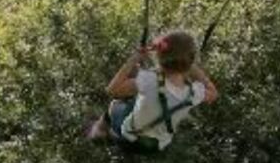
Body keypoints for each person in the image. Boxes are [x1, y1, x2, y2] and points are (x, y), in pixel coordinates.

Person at [87, 30, 217, 151]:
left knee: (114, 105)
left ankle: (98, 132)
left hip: (129, 138)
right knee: (141, 100)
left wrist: (134, 58)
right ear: (190, 62)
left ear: (160, 57)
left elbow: (112, 90)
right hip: (156, 146)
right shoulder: (195, 92)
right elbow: (213, 93)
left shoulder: (147, 79)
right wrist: (192, 67)